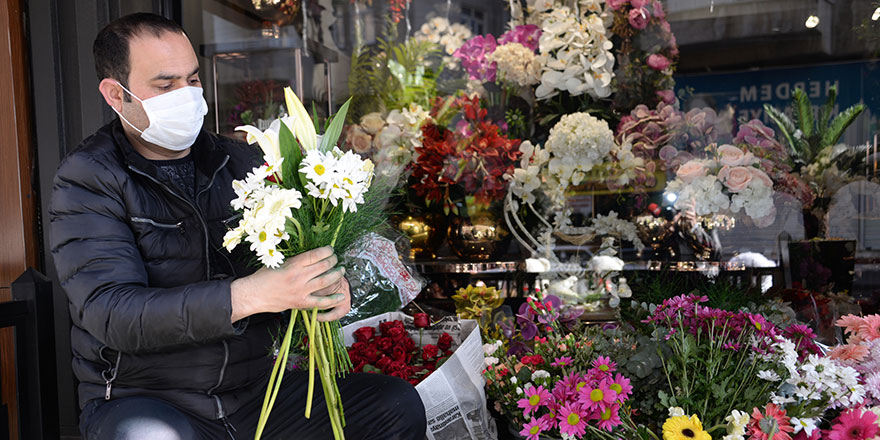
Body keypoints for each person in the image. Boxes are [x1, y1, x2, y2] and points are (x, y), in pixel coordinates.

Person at [49, 13, 426, 440]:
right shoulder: (88, 179)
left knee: (392, 406)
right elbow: (113, 312)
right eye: (165, 85)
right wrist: (250, 295)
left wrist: (323, 286)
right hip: (148, 398)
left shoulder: (241, 163)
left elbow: (289, 268)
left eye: (193, 80)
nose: (187, 96)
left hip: (256, 394)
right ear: (116, 95)